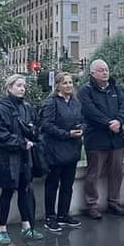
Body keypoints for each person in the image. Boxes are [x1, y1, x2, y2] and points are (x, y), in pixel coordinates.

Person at [0, 74, 43, 244]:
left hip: (24, 157)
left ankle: (26, 226)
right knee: (7, 192)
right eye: (18, 85)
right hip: (7, 159)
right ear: (9, 87)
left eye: (24, 85)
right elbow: (0, 135)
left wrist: (32, 134)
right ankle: (2, 228)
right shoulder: (1, 109)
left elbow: (35, 127)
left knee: (24, 190)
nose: (22, 88)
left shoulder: (26, 107)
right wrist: (21, 142)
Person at [78, 59, 124, 219]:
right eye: (101, 70)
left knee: (116, 172)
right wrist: (108, 123)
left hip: (116, 138)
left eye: (106, 69)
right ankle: (91, 204)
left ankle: (114, 202)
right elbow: (90, 112)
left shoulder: (116, 88)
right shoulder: (85, 91)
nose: (105, 72)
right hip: (96, 139)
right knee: (94, 173)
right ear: (93, 73)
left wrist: (119, 121)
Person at [40, 72, 84, 233]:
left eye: (71, 82)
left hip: (72, 149)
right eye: (65, 83)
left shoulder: (75, 102)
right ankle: (50, 217)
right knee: (52, 184)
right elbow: (46, 125)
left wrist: (81, 130)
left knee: (68, 185)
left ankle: (63, 214)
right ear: (58, 85)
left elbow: (82, 120)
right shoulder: (52, 102)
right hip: (55, 149)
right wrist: (66, 134)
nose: (69, 85)